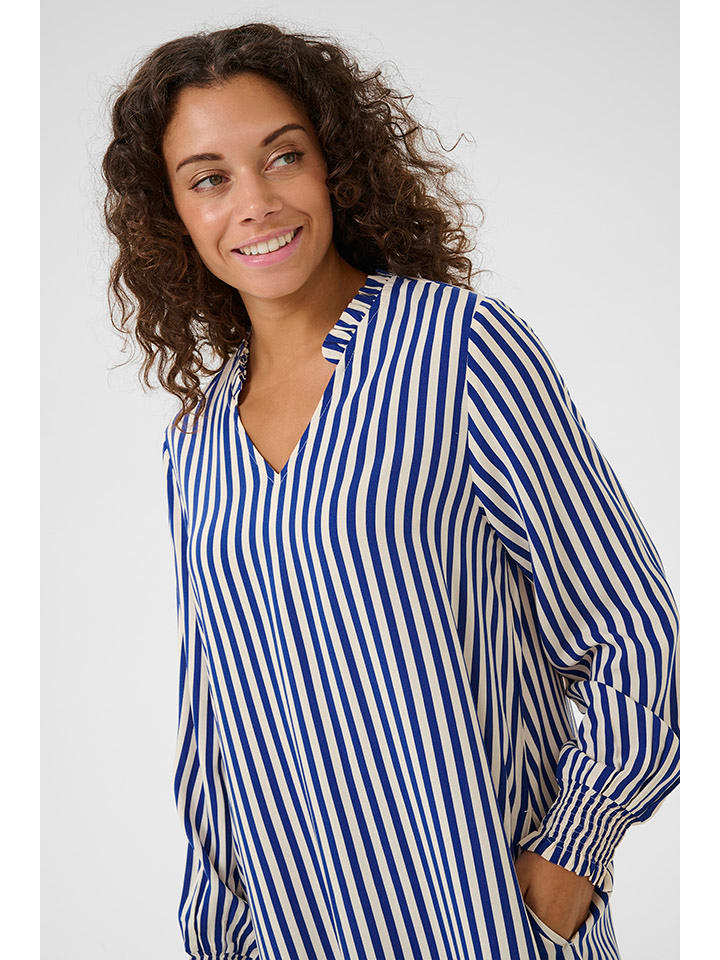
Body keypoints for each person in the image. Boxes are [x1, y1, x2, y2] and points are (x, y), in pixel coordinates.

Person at [101, 22, 679, 960]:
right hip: (296, 935)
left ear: (335, 164)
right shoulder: (196, 447)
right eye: (208, 178)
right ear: (171, 213)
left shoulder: (461, 352)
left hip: (486, 926)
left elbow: (634, 631)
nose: (255, 202)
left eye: (282, 156)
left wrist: (571, 859)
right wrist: (218, 934)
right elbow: (215, 732)